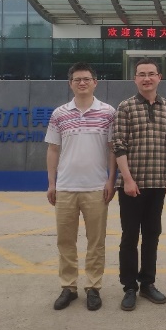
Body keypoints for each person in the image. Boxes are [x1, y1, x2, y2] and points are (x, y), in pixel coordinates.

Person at [46, 62, 116, 311]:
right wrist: (52, 183)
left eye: (87, 79)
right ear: (71, 84)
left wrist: (111, 180)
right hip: (65, 187)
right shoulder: (59, 114)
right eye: (77, 79)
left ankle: (93, 287)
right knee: (65, 241)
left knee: (96, 242)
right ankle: (69, 287)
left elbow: (113, 150)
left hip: (97, 188)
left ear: (95, 82)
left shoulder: (108, 112)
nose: (82, 83)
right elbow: (53, 149)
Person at [111, 58, 166, 312]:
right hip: (131, 185)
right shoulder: (125, 107)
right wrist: (127, 179)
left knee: (152, 235)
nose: (146, 78)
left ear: (159, 77)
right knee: (130, 236)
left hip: (157, 183)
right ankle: (129, 287)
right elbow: (119, 145)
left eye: (151, 74)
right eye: (141, 74)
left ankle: (148, 283)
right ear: (135, 79)